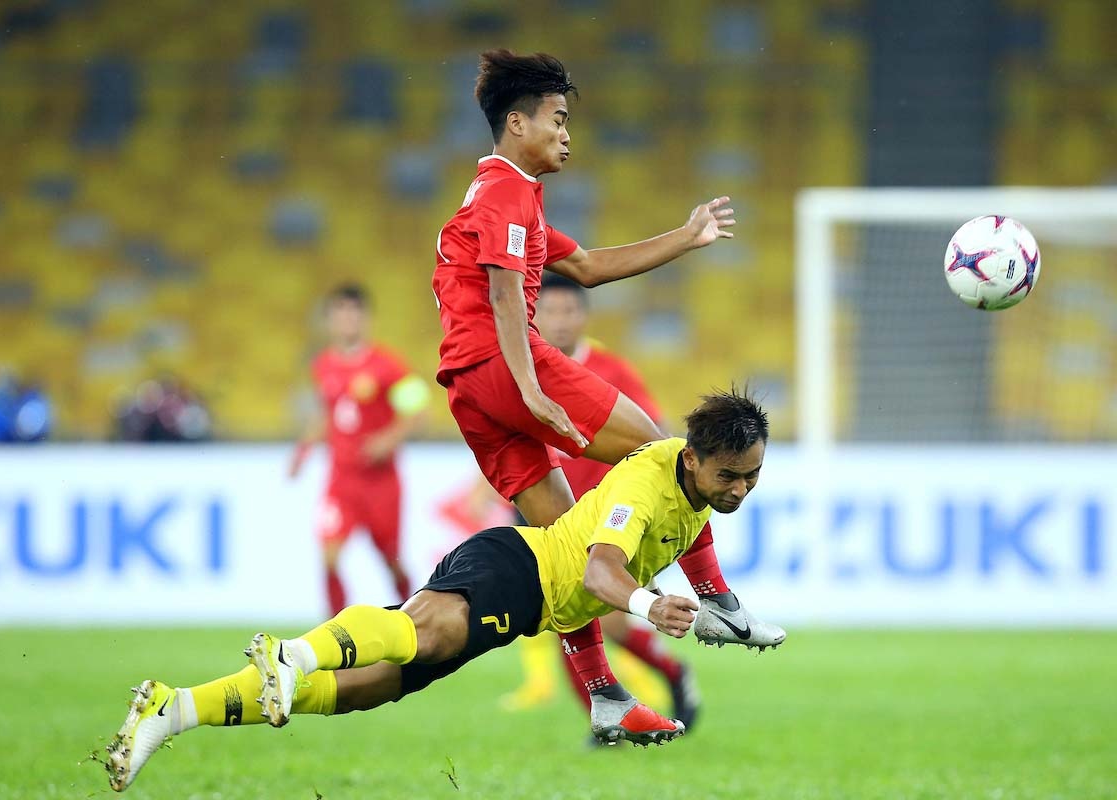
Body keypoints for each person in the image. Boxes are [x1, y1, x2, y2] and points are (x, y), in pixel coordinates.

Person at [104, 389, 785, 792]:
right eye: (731, 476)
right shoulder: (645, 482)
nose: (740, 490)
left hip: (530, 606)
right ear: (692, 457)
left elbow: (694, 542)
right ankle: (294, 655)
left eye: (751, 477)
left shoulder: (698, 493)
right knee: (426, 629)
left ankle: (178, 709)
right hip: (514, 567)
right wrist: (649, 605)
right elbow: (598, 575)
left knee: (370, 689)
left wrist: (729, 609)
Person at [431, 48, 747, 740]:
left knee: (564, 546)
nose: (568, 133)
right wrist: (531, 391)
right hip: (500, 364)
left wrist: (687, 238)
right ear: (518, 123)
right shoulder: (508, 190)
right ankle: (716, 597)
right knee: (671, 458)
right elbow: (507, 297)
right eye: (558, 119)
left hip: (465, 385)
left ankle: (604, 694)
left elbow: (585, 267)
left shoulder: (506, 194)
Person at [501, 274, 698, 729]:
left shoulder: (612, 369)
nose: (561, 321)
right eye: (550, 311)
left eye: (570, 311)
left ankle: (664, 677)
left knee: (599, 620)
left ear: (584, 316)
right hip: (552, 511)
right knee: (560, 619)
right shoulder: (522, 370)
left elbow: (655, 437)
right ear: (533, 316)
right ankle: (607, 715)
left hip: (609, 519)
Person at [289, 284, 430, 612]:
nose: (348, 320)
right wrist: (303, 452)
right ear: (329, 321)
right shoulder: (323, 365)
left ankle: (414, 613)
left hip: (381, 484)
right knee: (329, 556)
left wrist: (388, 439)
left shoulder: (387, 366)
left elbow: (420, 411)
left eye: (354, 312)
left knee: (391, 561)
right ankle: (335, 631)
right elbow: (329, 414)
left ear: (366, 319)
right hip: (342, 481)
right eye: (340, 313)